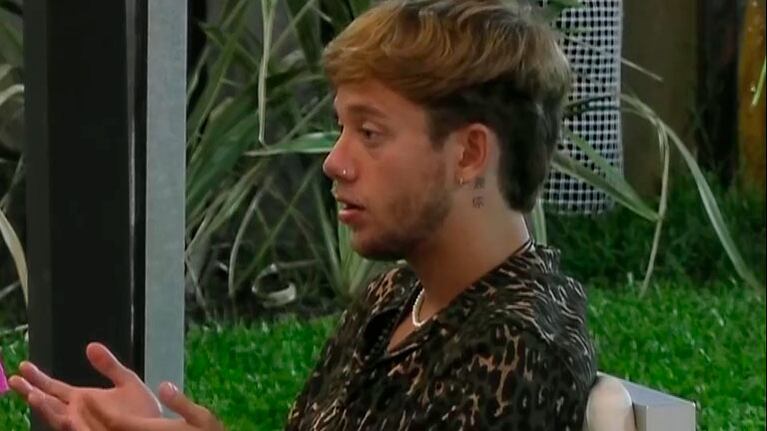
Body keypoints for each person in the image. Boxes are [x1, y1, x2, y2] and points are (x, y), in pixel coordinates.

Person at [10, 0, 596, 429]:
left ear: (469, 153)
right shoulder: (396, 298)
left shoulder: (518, 347)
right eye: (342, 129)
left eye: (370, 132)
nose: (335, 162)